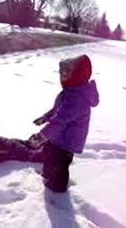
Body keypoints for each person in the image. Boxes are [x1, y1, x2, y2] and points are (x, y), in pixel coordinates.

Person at [31, 54, 99, 193]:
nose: (62, 77)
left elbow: (60, 120)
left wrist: (41, 136)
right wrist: (45, 117)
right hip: (58, 137)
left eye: (67, 74)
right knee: (49, 154)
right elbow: (58, 110)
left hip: (66, 142)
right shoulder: (71, 92)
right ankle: (48, 175)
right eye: (62, 74)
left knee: (60, 166)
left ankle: (57, 190)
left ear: (77, 76)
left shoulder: (77, 99)